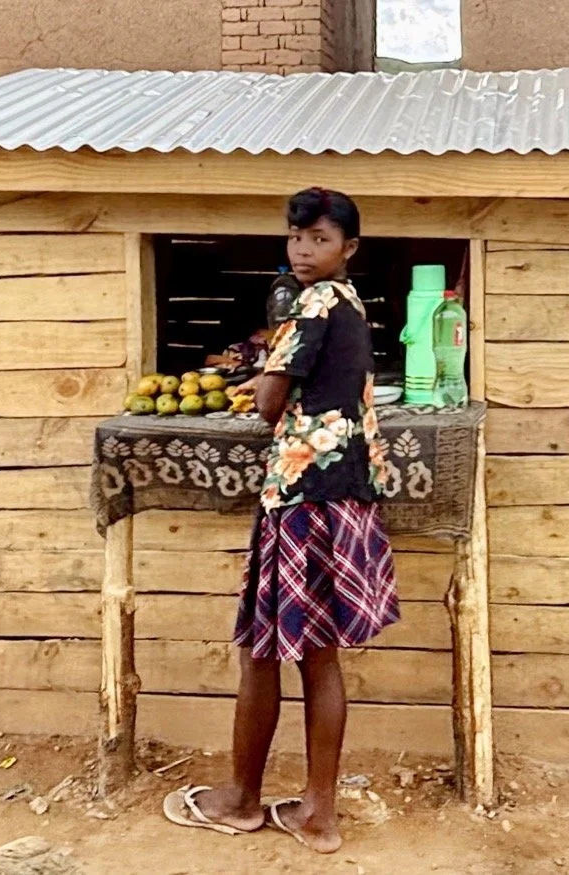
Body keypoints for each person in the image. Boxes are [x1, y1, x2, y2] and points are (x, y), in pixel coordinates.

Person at [163, 189, 399, 854]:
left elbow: (270, 401)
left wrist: (272, 389)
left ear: (349, 248)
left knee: (263, 650)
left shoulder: (313, 303)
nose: (303, 250)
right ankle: (317, 813)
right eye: (296, 237)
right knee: (320, 658)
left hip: (301, 494)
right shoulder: (351, 304)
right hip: (347, 490)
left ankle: (240, 800)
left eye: (319, 239)